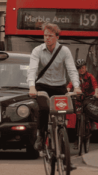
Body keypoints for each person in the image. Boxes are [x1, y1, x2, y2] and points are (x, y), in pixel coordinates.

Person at [26, 22, 82, 151]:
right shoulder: (37, 51)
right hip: (42, 86)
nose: (47, 38)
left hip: (59, 87)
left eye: (50, 36)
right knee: (44, 109)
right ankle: (41, 136)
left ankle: (62, 137)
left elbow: (72, 70)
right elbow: (32, 70)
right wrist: (32, 87)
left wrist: (77, 86)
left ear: (57, 37)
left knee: (62, 112)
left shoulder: (64, 51)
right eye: (45, 35)